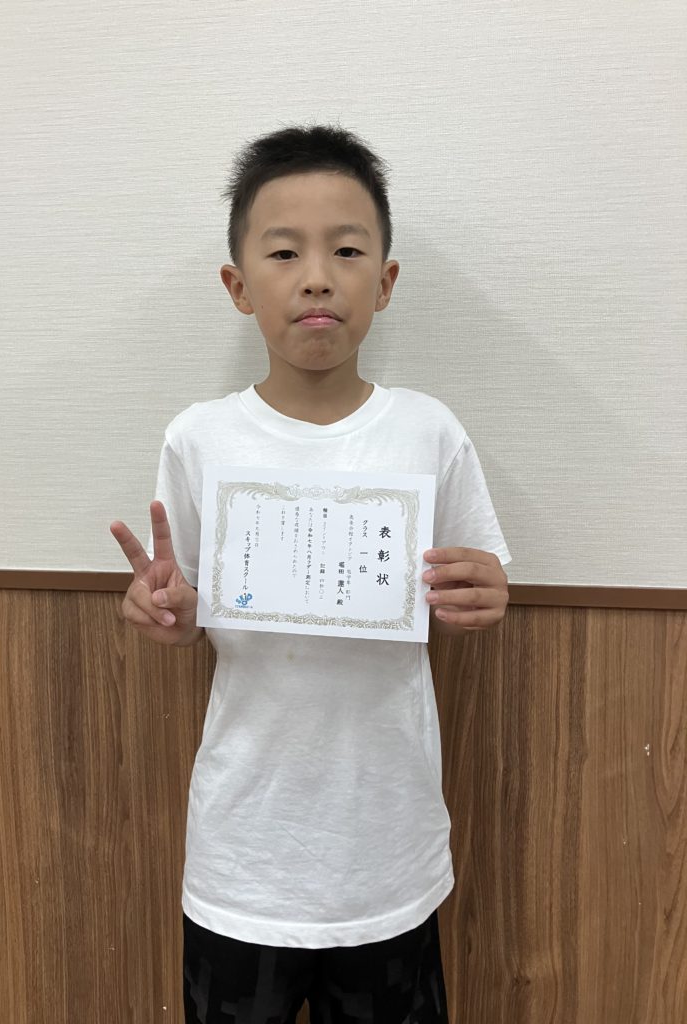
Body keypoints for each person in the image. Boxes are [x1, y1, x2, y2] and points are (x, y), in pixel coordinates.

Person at [110, 123, 511, 1024]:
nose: (318, 277)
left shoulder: (428, 430)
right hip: (242, 858)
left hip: (388, 856)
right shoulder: (200, 438)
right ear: (238, 286)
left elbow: (476, 579)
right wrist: (169, 614)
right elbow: (187, 608)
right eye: (285, 251)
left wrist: (488, 593)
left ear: (387, 281)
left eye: (347, 251)